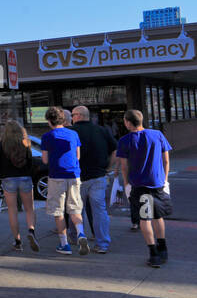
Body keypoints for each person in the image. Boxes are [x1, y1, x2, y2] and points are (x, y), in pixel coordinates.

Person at [117, 109, 173, 267]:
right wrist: (165, 180)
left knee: (145, 219)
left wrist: (127, 184)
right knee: (158, 216)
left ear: (128, 122)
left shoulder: (124, 140)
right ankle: (163, 248)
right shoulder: (157, 135)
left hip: (139, 185)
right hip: (157, 183)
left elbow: (124, 166)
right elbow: (166, 161)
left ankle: (153, 253)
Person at [39, 106, 88, 255]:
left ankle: (64, 244)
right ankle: (81, 233)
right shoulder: (73, 134)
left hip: (56, 176)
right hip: (74, 174)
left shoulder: (47, 136)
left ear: (49, 120)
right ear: (63, 119)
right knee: (75, 208)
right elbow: (78, 156)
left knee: (58, 211)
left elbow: (45, 160)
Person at [71, 105, 117, 254]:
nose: (72, 118)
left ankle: (75, 237)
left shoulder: (71, 132)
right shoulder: (103, 130)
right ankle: (102, 243)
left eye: (72, 115)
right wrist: (109, 167)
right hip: (99, 176)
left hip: (78, 177)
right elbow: (116, 150)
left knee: (77, 210)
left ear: (78, 115)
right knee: (100, 211)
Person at [0, 120, 38, 252]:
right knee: (29, 208)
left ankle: (17, 241)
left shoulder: (0, 145)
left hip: (8, 179)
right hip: (25, 177)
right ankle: (31, 231)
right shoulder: (26, 143)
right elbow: (30, 162)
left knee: (12, 210)